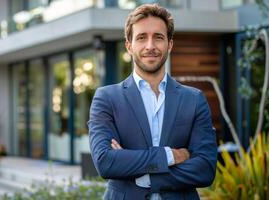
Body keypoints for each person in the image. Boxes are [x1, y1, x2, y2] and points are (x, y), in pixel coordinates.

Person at [88, 3, 217, 200]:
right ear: (129, 46)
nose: (150, 46)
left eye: (158, 37)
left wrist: (146, 176)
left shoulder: (194, 99)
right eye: (141, 37)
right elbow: (106, 162)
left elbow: (205, 169)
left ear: (170, 44)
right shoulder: (107, 98)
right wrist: (171, 156)